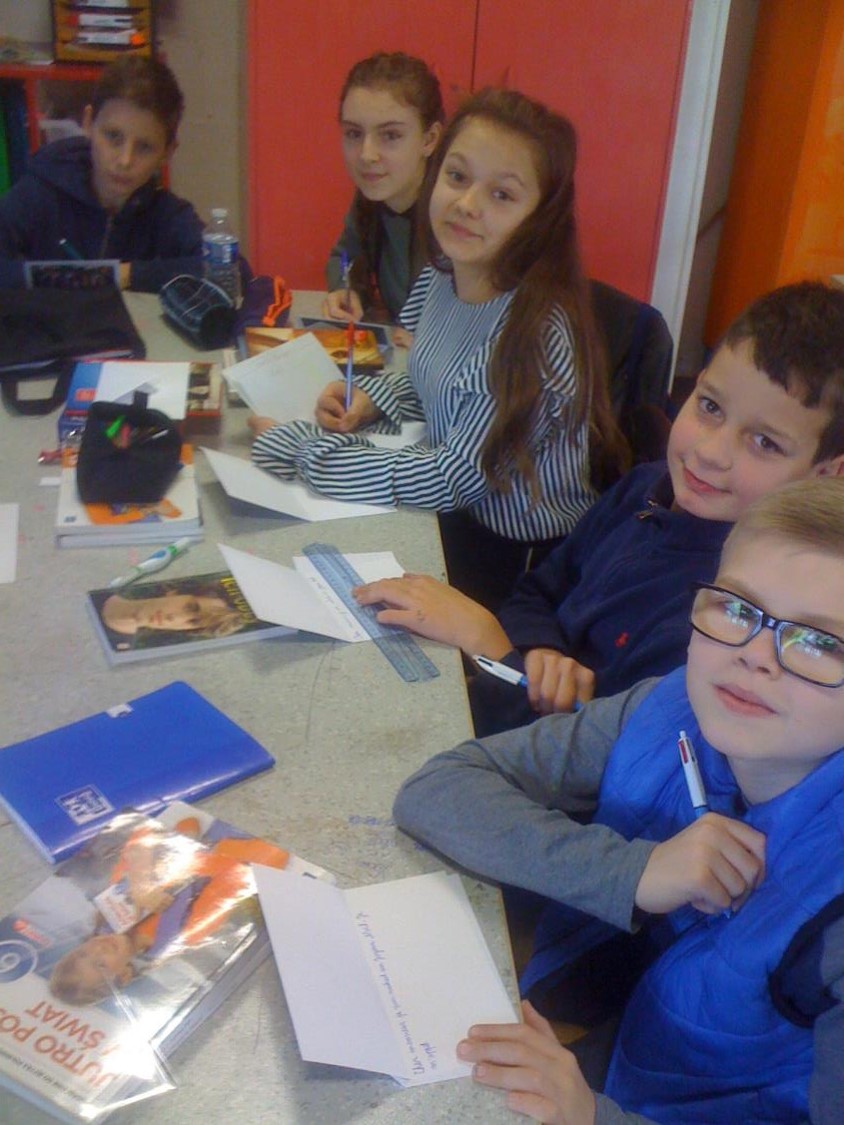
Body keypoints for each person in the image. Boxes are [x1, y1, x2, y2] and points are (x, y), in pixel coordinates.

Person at [393, 476, 844, 1124]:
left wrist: (593, 1117)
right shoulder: (670, 704)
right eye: (737, 607)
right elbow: (437, 789)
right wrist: (633, 872)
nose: (755, 657)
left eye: (820, 642)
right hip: (586, 1023)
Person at [354, 281, 844, 732]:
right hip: (499, 703)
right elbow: (537, 591)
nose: (711, 451)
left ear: (827, 474)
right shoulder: (645, 487)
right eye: (710, 406)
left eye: (764, 442)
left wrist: (493, 647)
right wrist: (540, 652)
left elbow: (603, 759)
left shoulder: (735, 610)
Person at [251, 88, 627, 607]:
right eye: (457, 176)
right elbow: (431, 382)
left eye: (502, 195)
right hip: (450, 512)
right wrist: (373, 399)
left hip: (516, 557)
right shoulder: (443, 273)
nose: (467, 204)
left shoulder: (531, 339)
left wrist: (302, 450)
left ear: (540, 217)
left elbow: (450, 479)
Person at [0, 56, 204, 292]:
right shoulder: (39, 194)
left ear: (167, 152)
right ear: (88, 123)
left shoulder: (169, 216)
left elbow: (226, 270)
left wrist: (124, 274)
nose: (125, 160)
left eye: (144, 147)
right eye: (113, 137)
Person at [49, 814, 289, 1006]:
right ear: (124, 975)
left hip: (218, 822)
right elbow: (241, 876)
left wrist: (141, 878)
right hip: (253, 836)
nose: (97, 950)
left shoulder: (112, 902)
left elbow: (155, 829)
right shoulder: (179, 936)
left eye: (83, 954)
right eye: (100, 965)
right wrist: (188, 855)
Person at [323, 51, 444, 327]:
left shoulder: (455, 213)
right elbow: (344, 257)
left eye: (390, 135)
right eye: (354, 133)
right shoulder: (372, 194)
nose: (367, 155)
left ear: (429, 139)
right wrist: (346, 289)